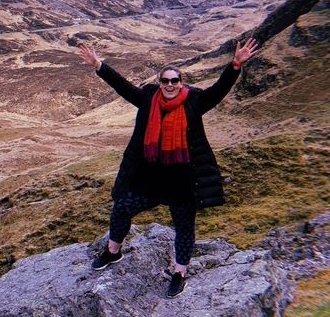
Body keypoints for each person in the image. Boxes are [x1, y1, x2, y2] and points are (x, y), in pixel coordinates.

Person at [78, 38, 258, 298]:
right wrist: (98, 64)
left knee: (184, 227)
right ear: (160, 83)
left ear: (181, 83)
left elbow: (219, 90)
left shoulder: (194, 102)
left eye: (175, 81)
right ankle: (113, 251)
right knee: (122, 207)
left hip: (183, 179)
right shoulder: (147, 100)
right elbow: (122, 86)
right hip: (151, 177)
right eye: (165, 81)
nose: (170, 85)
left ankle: (179, 273)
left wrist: (235, 65)